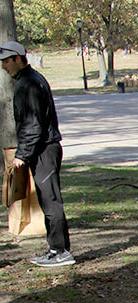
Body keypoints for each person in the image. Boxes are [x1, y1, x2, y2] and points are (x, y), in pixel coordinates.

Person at [0, 41, 74, 267]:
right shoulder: (28, 80)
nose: (3, 66)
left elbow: (33, 124)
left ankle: (61, 251)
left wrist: (22, 154)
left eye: (6, 61)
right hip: (42, 148)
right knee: (46, 199)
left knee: (51, 200)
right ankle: (55, 249)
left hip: (44, 149)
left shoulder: (29, 84)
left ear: (18, 59)